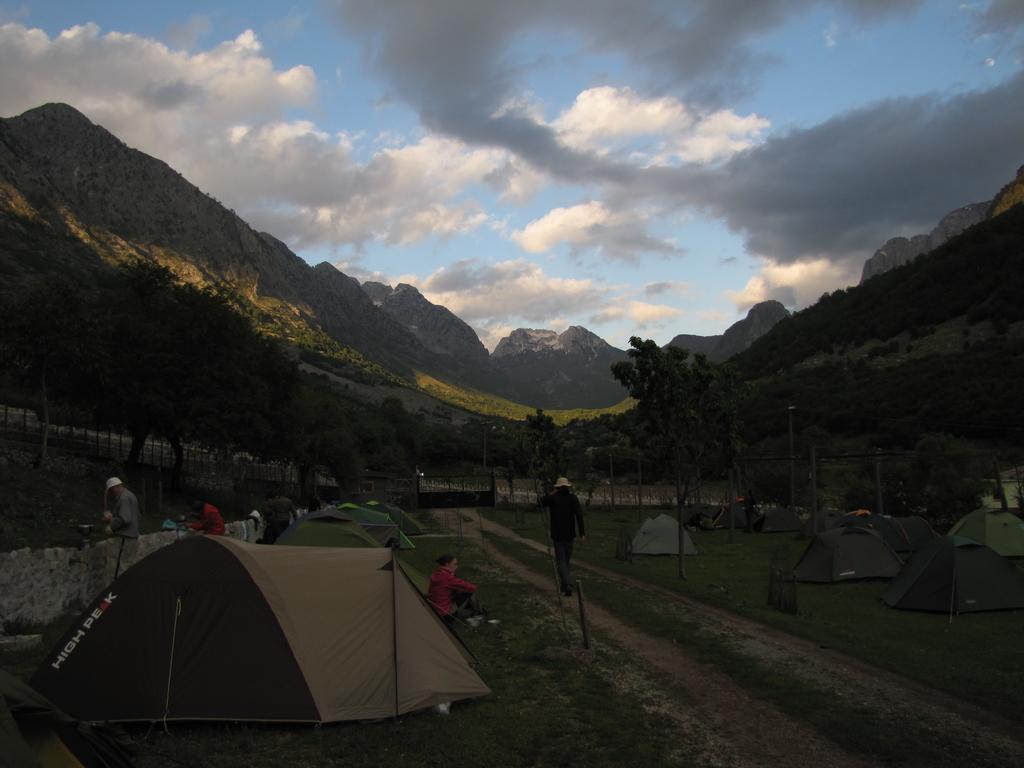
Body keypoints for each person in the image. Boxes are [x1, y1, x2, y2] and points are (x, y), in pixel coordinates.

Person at [540, 476, 586, 597]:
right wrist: (582, 533)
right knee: (566, 561)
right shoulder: (573, 498)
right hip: (570, 534)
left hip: (557, 534)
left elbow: (540, 502)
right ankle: (564, 588)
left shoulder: (554, 498)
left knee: (561, 561)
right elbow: (579, 515)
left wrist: (552, 493)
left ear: (558, 488)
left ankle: (568, 584)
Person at [427, 554, 485, 626]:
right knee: (470, 594)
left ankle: (477, 613)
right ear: (447, 564)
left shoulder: (436, 574)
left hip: (432, 610)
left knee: (459, 594)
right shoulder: (448, 577)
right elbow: (471, 587)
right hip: (445, 615)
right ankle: (479, 616)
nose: (457, 566)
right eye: (455, 564)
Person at [101, 477, 139, 578]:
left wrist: (111, 526)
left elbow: (125, 518)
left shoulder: (123, 498)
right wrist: (112, 518)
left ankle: (119, 592)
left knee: (122, 567)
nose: (112, 493)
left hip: (125, 537)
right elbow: (127, 515)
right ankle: (126, 590)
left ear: (115, 487)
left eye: (112, 490)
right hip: (131, 536)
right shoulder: (130, 495)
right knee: (127, 565)